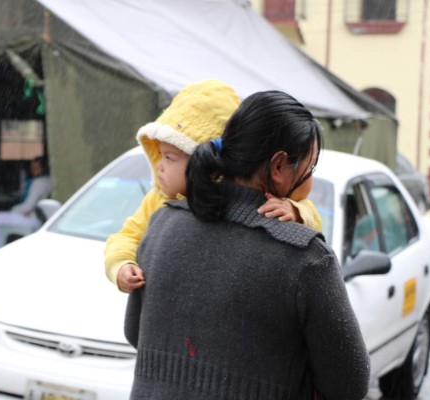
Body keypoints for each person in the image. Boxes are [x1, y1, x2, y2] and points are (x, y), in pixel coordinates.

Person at [124, 90, 370, 400]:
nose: (309, 182)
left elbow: (136, 332)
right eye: (309, 170)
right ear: (279, 166)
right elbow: (349, 384)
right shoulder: (305, 259)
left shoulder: (161, 225)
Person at [104, 80, 322, 293]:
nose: (159, 166)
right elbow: (126, 237)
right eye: (159, 155)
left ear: (205, 159)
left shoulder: (242, 199)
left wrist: (297, 212)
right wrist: (121, 265)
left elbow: (310, 214)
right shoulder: (157, 201)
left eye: (169, 158)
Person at [0, 156, 52, 252]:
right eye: (32, 167)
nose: (33, 170)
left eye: (36, 167)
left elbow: (28, 206)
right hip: (37, 217)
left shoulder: (39, 182)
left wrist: (12, 210)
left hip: (30, 217)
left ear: (43, 167)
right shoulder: (48, 180)